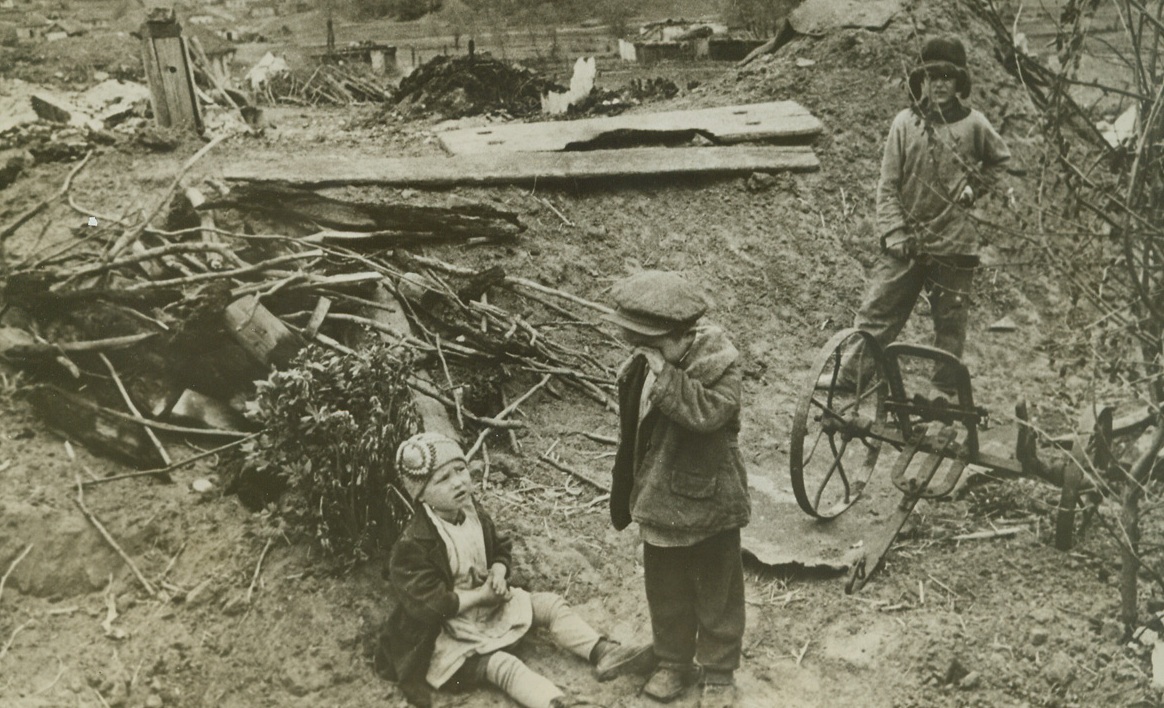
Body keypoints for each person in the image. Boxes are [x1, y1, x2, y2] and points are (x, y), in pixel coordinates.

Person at [376, 432, 655, 708]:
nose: (458, 482)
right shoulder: (415, 544)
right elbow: (431, 605)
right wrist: (482, 596)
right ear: (422, 496)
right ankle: (555, 701)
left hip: (490, 606)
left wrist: (497, 572)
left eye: (460, 470)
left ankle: (603, 652)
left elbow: (500, 548)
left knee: (550, 605)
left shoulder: (471, 511)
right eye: (443, 479)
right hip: (448, 633)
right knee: (504, 666)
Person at [821, 35, 1012, 395]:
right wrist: (894, 231)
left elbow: (1001, 163)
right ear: (921, 81)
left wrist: (975, 188)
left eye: (947, 78)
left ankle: (940, 392)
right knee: (879, 308)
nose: (939, 85)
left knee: (950, 322)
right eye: (932, 77)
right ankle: (854, 375)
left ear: (959, 83)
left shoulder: (975, 125)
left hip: (955, 242)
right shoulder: (905, 123)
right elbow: (888, 183)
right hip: (907, 241)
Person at [604, 271, 750, 708]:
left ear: (682, 335)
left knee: (717, 590)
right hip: (658, 497)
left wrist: (665, 376)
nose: (643, 352)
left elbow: (706, 413)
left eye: (653, 345)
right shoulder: (647, 362)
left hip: (709, 500)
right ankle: (672, 661)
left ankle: (720, 671)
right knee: (665, 587)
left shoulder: (720, 365)